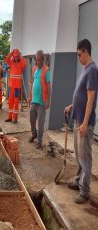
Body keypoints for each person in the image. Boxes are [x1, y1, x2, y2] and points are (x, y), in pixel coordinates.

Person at [64, 39, 98, 204]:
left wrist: (85, 123)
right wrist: (72, 105)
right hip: (78, 119)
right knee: (79, 155)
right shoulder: (85, 70)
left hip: (85, 122)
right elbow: (82, 96)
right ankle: (79, 181)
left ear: (85, 51)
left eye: (79, 54)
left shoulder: (92, 70)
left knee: (85, 157)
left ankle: (85, 191)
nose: (78, 57)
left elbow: (91, 99)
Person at [28, 50, 51, 149]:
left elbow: (49, 86)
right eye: (37, 60)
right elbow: (32, 84)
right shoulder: (34, 69)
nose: (38, 62)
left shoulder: (46, 70)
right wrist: (30, 96)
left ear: (43, 59)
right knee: (32, 119)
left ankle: (39, 141)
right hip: (34, 100)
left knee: (40, 123)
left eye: (40, 60)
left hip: (42, 102)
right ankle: (34, 133)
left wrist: (47, 100)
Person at [5, 49, 27, 123]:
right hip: (12, 87)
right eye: (14, 56)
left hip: (17, 88)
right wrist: (12, 53)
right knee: (11, 102)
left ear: (18, 56)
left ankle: (15, 118)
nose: (15, 58)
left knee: (16, 103)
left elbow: (25, 63)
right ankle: (9, 117)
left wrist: (21, 56)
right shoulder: (11, 63)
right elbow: (7, 59)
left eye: (16, 56)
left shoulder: (21, 63)